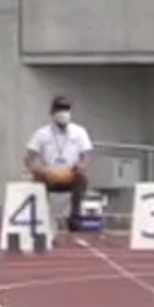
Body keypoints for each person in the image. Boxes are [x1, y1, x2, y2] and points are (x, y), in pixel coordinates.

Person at [24, 95, 93, 225]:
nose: (63, 113)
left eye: (66, 109)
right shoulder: (42, 133)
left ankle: (75, 219)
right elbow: (29, 157)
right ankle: (43, 218)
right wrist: (39, 170)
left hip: (70, 174)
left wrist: (81, 166)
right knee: (37, 181)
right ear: (52, 112)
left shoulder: (79, 132)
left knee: (83, 180)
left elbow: (86, 155)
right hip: (49, 175)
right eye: (59, 109)